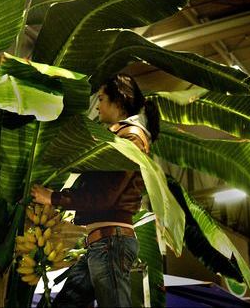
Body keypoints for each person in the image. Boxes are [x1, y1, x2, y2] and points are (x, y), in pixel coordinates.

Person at [31, 73, 160, 307]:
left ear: (118, 102)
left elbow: (104, 196)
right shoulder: (117, 136)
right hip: (101, 243)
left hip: (111, 243)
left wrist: (53, 198)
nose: (97, 105)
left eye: (101, 99)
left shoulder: (130, 137)